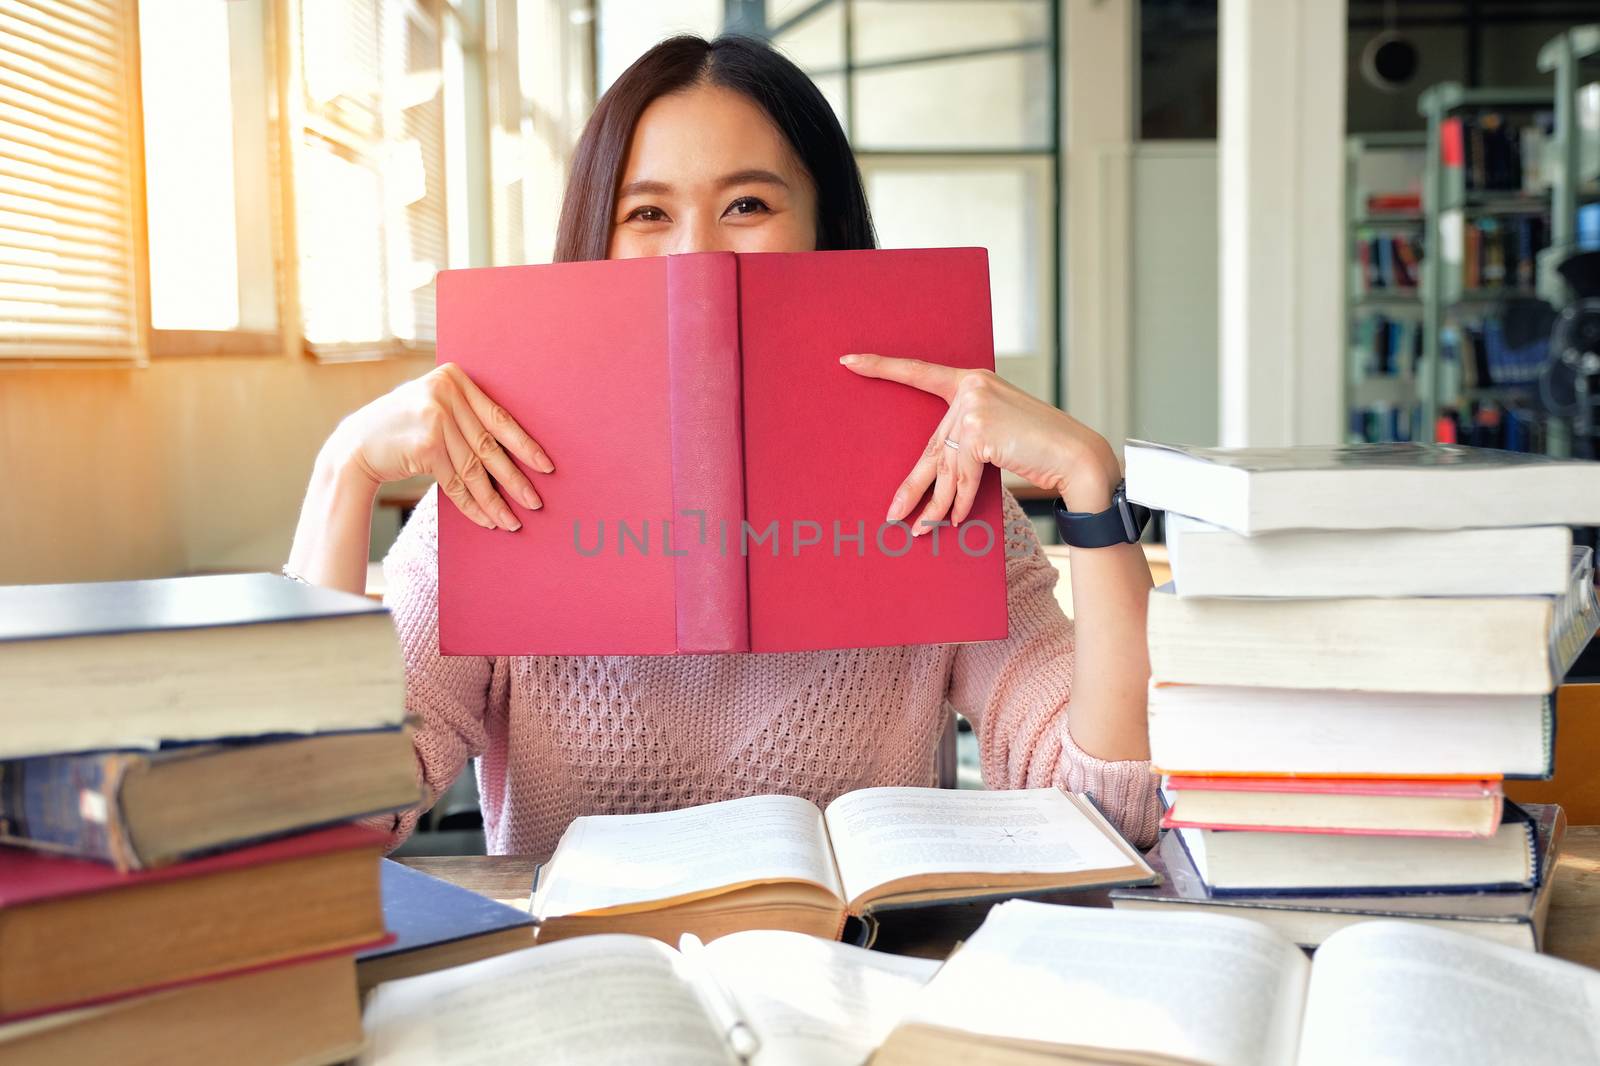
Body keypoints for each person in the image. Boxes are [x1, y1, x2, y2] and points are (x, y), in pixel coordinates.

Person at [286, 34, 1161, 858]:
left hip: (848, 980)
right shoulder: (496, 483)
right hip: (589, 982)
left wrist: (1093, 490)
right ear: (598, 238)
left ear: (825, 226)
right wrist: (342, 472)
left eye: (747, 204)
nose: (696, 254)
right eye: (648, 212)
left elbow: (1101, 814)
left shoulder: (940, 485)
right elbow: (334, 812)